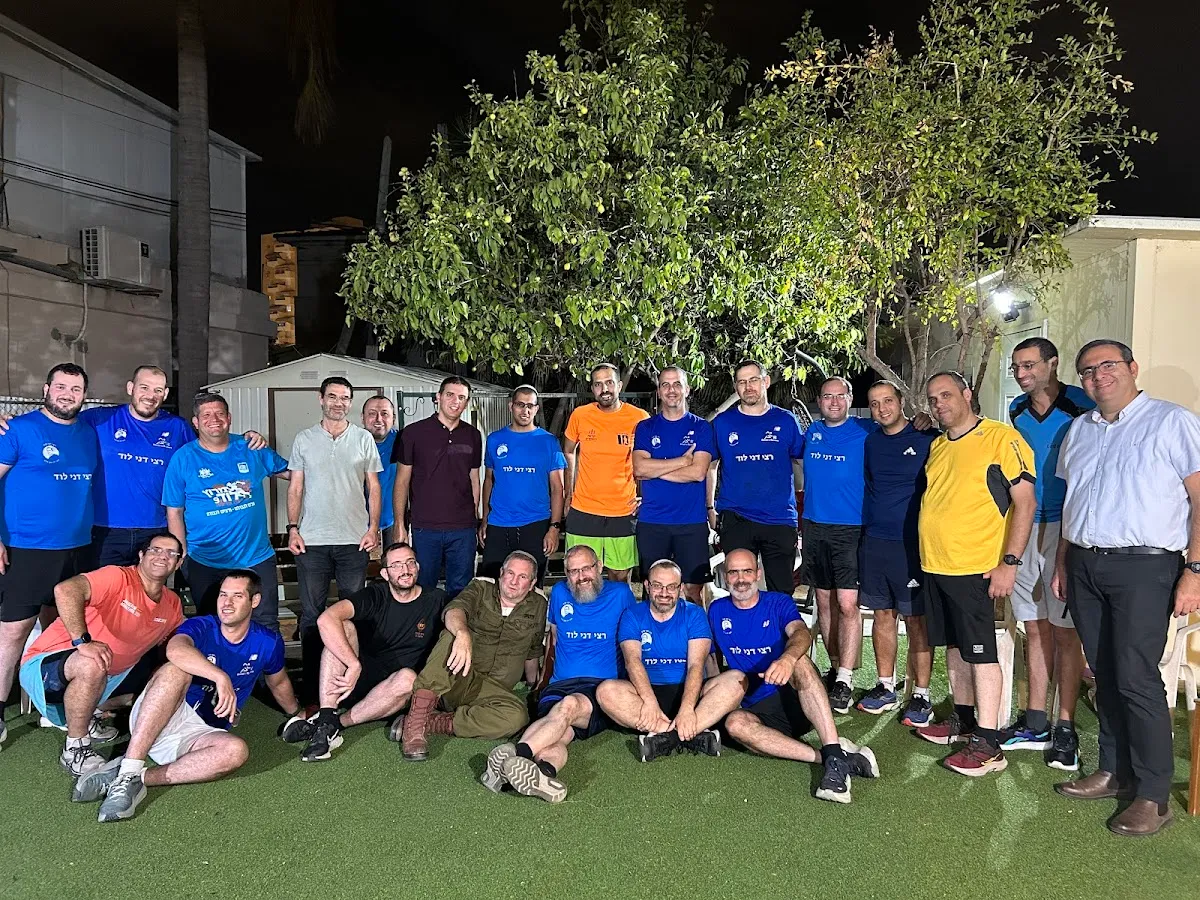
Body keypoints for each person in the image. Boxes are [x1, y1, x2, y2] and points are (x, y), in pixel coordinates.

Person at [1051, 339, 1200, 837]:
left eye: (1108, 365)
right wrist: (1063, 562)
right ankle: (1114, 771)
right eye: (1087, 370)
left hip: (1146, 567)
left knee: (1136, 677)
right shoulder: (1079, 430)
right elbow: (1073, 502)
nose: (1098, 376)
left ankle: (1153, 795)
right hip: (1085, 564)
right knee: (1105, 673)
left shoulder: (1172, 421)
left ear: (1133, 368)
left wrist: (1195, 571)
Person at [71, 569, 300, 822]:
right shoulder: (202, 625)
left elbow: (279, 682)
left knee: (236, 751)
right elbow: (176, 649)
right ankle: (129, 768)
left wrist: (296, 713)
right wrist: (220, 677)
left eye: (237, 596)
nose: (227, 603)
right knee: (175, 670)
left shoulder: (267, 641)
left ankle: (134, 778)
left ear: (254, 601)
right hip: (163, 714)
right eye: (223, 594)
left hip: (198, 734)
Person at [915, 372, 1036, 778]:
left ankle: (988, 742)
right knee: (954, 647)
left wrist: (1009, 563)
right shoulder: (938, 445)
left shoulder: (1001, 438)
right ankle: (964, 719)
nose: (939, 404)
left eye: (946, 395)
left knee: (981, 653)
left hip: (976, 567)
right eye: (933, 398)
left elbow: (1026, 503)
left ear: (967, 395)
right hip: (936, 565)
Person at [708, 549, 880, 803]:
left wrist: (786, 659)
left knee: (800, 661)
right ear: (725, 576)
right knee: (735, 724)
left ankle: (832, 748)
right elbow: (712, 662)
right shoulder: (716, 610)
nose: (741, 579)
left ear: (758, 574)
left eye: (747, 571)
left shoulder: (778, 602)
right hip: (759, 710)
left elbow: (801, 633)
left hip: (798, 702)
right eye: (734, 572)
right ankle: (833, 758)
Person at [16, 533, 185, 773]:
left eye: (171, 553)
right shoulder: (117, 576)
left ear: (178, 563)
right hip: (48, 669)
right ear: (141, 555)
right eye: (155, 550)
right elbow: (66, 590)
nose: (162, 556)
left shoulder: (172, 603)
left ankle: (88, 715)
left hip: (109, 679)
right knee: (91, 662)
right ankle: (75, 748)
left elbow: (180, 641)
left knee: (166, 679)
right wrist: (82, 641)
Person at [1002, 337, 1094, 768]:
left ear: (1052, 364)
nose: (1021, 374)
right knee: (1034, 626)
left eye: (1029, 365)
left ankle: (1065, 726)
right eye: (1016, 367)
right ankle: (1036, 720)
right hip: (1024, 525)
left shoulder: (1082, 405)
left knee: (1065, 631)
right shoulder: (1016, 409)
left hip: (1068, 528)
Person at [482, 545, 634, 802]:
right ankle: (544, 774)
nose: (581, 576)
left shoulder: (621, 594)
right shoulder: (561, 593)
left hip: (599, 689)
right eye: (573, 571)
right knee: (561, 736)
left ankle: (515, 755)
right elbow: (552, 640)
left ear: (599, 567)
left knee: (569, 706)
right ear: (566, 574)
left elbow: (632, 642)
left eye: (586, 568)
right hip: (559, 684)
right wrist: (541, 681)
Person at [0, 363, 100, 746]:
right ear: (46, 389)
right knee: (13, 632)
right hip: (27, 549)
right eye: (60, 387)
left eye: (75, 389)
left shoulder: (88, 433)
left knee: (61, 630)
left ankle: (54, 708)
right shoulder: (18, 430)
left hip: (77, 549)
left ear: (84, 395)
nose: (67, 394)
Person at [281, 542, 446, 761]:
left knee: (408, 678)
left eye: (410, 563)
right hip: (355, 681)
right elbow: (325, 619)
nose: (405, 570)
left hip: (393, 693)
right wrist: (353, 664)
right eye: (396, 565)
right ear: (385, 574)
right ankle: (327, 713)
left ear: (418, 567)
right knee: (342, 626)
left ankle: (331, 724)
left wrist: (462, 632)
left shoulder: (436, 599)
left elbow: (459, 614)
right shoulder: (375, 595)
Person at [397, 551, 547, 761]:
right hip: (458, 678)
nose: (513, 581)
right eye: (510, 573)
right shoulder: (481, 588)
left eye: (522, 577)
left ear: (532, 584)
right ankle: (416, 723)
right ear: (501, 573)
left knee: (517, 717)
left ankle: (432, 722)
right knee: (451, 635)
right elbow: (454, 610)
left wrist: (534, 685)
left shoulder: (539, 604)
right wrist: (463, 633)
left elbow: (533, 649)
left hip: (493, 692)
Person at [287, 376, 383, 703]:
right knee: (312, 614)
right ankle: (314, 687)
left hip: (353, 541)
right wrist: (293, 528)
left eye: (344, 398)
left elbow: (374, 487)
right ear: (321, 399)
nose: (338, 403)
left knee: (353, 611)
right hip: (311, 542)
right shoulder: (304, 439)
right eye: (332, 396)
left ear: (350, 403)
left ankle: (352, 681)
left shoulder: (363, 438)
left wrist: (373, 528)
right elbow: (295, 487)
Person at [163, 391, 290, 630]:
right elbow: (174, 512)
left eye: (220, 414)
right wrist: (181, 554)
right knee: (212, 626)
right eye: (206, 415)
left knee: (265, 624)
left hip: (255, 558)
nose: (214, 419)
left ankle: (266, 657)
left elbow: (293, 474)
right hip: (205, 561)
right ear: (196, 422)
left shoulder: (251, 448)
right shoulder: (183, 458)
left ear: (229, 418)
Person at [596, 559, 733, 761]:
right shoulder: (632, 614)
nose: (664, 593)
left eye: (671, 587)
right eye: (657, 586)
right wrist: (650, 702)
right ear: (647, 586)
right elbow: (633, 662)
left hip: (690, 692)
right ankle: (692, 735)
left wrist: (687, 708)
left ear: (680, 588)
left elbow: (696, 665)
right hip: (645, 693)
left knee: (736, 680)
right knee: (605, 691)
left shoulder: (694, 614)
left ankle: (666, 737)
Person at [856, 381, 937, 725]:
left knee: (916, 619)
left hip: (912, 545)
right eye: (874, 403)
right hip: (875, 542)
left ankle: (922, 694)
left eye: (888, 401)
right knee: (882, 614)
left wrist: (928, 418)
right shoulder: (870, 439)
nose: (882, 408)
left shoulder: (928, 438)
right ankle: (885, 685)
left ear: (901, 401)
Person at [801, 377, 877, 714]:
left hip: (851, 528)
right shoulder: (811, 432)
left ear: (849, 398)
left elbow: (901, 429)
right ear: (819, 401)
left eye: (840, 396)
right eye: (827, 396)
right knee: (824, 602)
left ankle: (846, 677)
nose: (833, 402)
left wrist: (920, 421)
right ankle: (835, 669)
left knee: (848, 604)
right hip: (814, 526)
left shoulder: (867, 430)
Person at [709, 360, 806, 595]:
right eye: (742, 382)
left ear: (766, 382)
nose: (748, 386)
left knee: (781, 591)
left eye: (753, 380)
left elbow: (802, 463)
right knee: (740, 589)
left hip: (779, 519)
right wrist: (710, 508)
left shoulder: (785, 420)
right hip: (736, 517)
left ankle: (779, 622)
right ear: (736, 387)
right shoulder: (723, 423)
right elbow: (711, 467)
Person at [392, 376, 482, 599]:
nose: (455, 401)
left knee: (461, 591)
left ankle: (455, 624)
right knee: (423, 588)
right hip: (425, 527)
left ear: (466, 402)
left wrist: (474, 518)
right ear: (438, 397)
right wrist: (400, 524)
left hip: (462, 529)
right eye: (450, 395)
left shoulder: (473, 435)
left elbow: (474, 478)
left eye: (461, 397)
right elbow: (402, 481)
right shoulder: (413, 433)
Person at [632, 367, 716, 602]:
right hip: (652, 522)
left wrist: (655, 469)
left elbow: (698, 473)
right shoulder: (645, 427)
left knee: (692, 591)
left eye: (677, 384)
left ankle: (695, 628)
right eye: (665, 385)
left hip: (692, 522)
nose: (671, 390)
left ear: (687, 389)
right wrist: (681, 461)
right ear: (659, 391)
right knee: (653, 590)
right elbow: (639, 470)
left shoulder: (701, 427)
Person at [563, 363, 649, 582]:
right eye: (598, 384)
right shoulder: (580, 415)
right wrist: (569, 494)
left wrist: (647, 496)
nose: (604, 389)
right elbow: (569, 451)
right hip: (584, 509)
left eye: (609, 382)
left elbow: (648, 461)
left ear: (619, 385)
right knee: (581, 577)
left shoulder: (639, 418)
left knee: (619, 577)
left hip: (623, 510)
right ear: (592, 389)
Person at [478, 385, 566, 586]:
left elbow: (557, 488)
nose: (525, 410)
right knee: (492, 585)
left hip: (535, 524)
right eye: (520, 405)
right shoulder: (495, 439)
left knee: (531, 586)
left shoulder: (548, 442)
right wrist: (485, 519)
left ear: (536, 409)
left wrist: (554, 527)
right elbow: (489, 480)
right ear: (511, 406)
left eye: (530, 406)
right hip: (499, 524)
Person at [363, 395, 400, 544]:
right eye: (372, 414)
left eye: (385, 414)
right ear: (362, 418)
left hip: (395, 523)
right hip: (357, 524)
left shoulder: (404, 443)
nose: (379, 419)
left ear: (393, 418)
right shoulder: (351, 443)